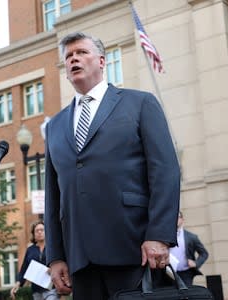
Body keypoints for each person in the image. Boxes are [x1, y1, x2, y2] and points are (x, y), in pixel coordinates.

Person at [43, 31, 181, 299]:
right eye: (69, 56)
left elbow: (165, 171)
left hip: (133, 249)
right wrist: (55, 256)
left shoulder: (139, 103)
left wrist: (159, 235)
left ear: (102, 61)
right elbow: (53, 195)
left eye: (81, 52)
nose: (74, 59)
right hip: (80, 260)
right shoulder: (55, 126)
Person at [10, 221, 60, 300]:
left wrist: (54, 269)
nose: (39, 232)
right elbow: (24, 269)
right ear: (33, 234)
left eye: (42, 230)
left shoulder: (53, 247)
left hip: (51, 288)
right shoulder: (30, 250)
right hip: (36, 291)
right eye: (37, 231)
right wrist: (18, 284)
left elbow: (60, 263)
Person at [170, 211, 209, 285]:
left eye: (177, 217)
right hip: (170, 273)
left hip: (186, 273)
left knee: (186, 295)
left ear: (182, 220)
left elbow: (204, 253)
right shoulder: (165, 236)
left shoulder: (191, 237)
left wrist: (196, 263)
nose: (175, 219)